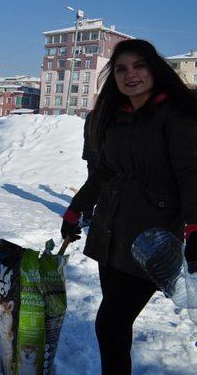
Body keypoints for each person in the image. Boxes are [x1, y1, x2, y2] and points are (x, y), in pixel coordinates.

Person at [59, 39, 197, 374]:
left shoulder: (176, 115)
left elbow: (191, 175)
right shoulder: (117, 116)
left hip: (152, 240)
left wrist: (194, 228)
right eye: (121, 69)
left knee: (110, 323)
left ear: (154, 69)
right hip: (112, 232)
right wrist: (75, 210)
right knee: (115, 323)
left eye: (138, 66)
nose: (129, 74)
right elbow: (104, 171)